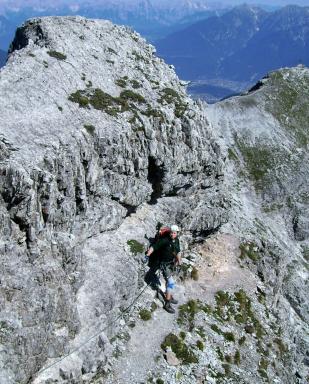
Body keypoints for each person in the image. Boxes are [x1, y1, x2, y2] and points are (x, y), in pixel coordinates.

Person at [146, 224, 181, 314]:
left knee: (168, 281)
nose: (173, 234)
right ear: (169, 233)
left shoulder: (176, 240)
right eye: (171, 233)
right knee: (171, 282)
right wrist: (148, 255)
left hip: (171, 263)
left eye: (174, 233)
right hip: (164, 265)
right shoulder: (165, 240)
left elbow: (177, 251)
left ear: (177, 233)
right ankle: (167, 303)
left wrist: (178, 261)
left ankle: (167, 295)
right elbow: (154, 247)